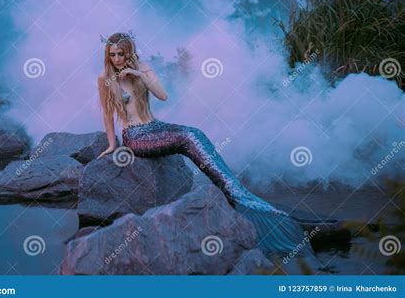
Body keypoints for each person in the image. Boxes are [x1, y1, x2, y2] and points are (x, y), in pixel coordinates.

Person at [97, 32, 313, 257]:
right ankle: (233, 195)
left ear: (129, 52)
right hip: (136, 137)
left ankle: (236, 193)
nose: (117, 59)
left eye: (121, 54)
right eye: (112, 55)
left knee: (195, 133)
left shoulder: (142, 67)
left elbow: (163, 95)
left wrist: (138, 74)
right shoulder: (105, 78)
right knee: (187, 138)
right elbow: (107, 114)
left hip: (154, 126)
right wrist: (112, 145)